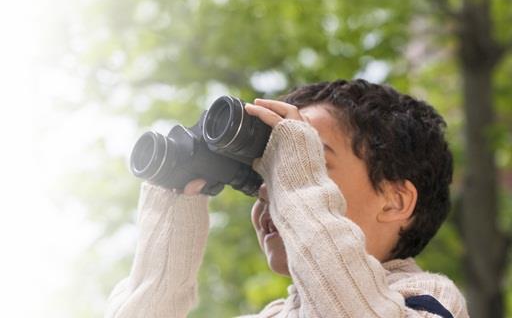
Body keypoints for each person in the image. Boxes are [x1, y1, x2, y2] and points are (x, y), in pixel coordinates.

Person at [106, 79, 469, 317]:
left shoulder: (427, 298)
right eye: (265, 173)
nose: (271, 188)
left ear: (394, 200)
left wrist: (294, 179)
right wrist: (163, 265)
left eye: (312, 165)